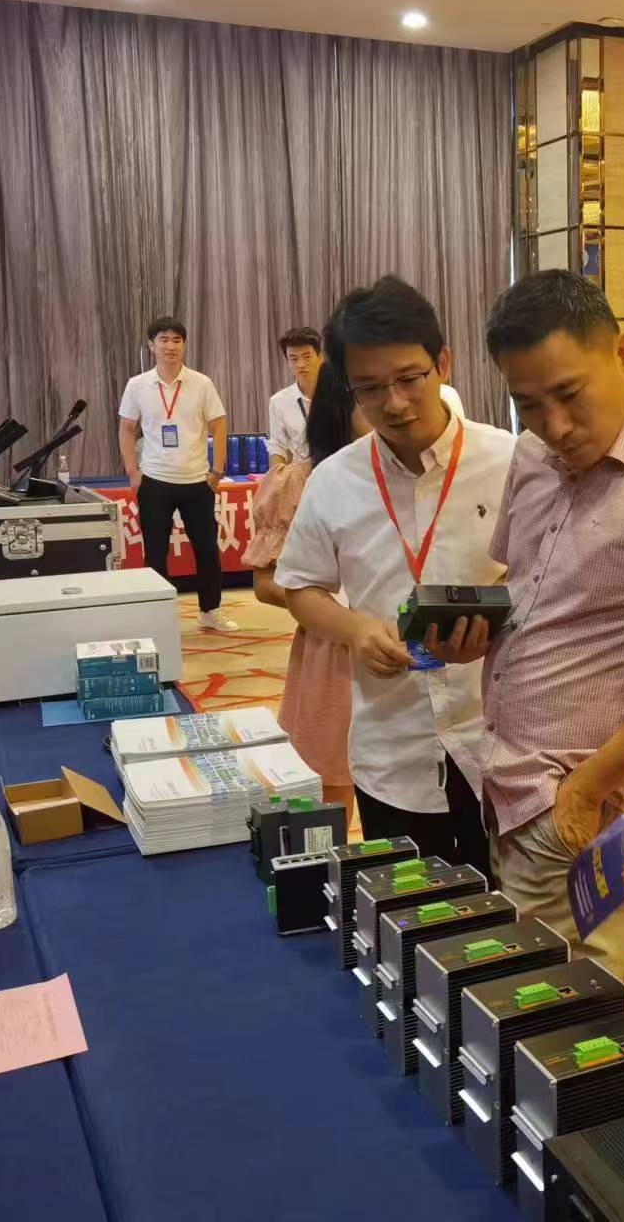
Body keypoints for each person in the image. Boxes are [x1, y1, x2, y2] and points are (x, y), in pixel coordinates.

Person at [444, 270, 624, 983]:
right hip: (507, 778)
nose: (554, 425)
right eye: (528, 404)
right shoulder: (530, 455)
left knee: (564, 1007)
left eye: (569, 394)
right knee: (519, 996)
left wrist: (583, 791)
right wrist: (469, 624)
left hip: (583, 803)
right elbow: (521, 584)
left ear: (620, 351)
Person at [273, 277, 513, 871]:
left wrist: (499, 618)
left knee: (505, 912)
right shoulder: (334, 479)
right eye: (371, 388)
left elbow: (548, 578)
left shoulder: (510, 461)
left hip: (503, 741)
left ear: (443, 363)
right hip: (391, 745)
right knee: (408, 910)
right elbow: (300, 587)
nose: (396, 403)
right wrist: (355, 629)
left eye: (410, 379)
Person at [248, 344, 365, 814]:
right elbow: (265, 585)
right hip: (332, 649)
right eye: (366, 397)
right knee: (332, 785)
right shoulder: (298, 481)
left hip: (407, 650)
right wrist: (332, 607)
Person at [118, 316, 236, 633]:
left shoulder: (201, 382)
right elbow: (126, 428)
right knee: (156, 552)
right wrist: (132, 471)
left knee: (207, 550)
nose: (170, 346)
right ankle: (158, 616)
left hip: (197, 480)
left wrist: (217, 470)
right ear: (151, 345)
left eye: (177, 340)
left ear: (184, 345)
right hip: (154, 480)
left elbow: (219, 425)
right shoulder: (137, 385)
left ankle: (210, 610)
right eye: (164, 340)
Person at [265, 327, 322, 469]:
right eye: (294, 359)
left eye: (307, 357)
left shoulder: (340, 394)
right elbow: (278, 447)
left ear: (320, 358)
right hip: (302, 475)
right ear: (288, 362)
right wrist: (279, 478)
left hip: (337, 474)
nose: (301, 364)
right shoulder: (279, 401)